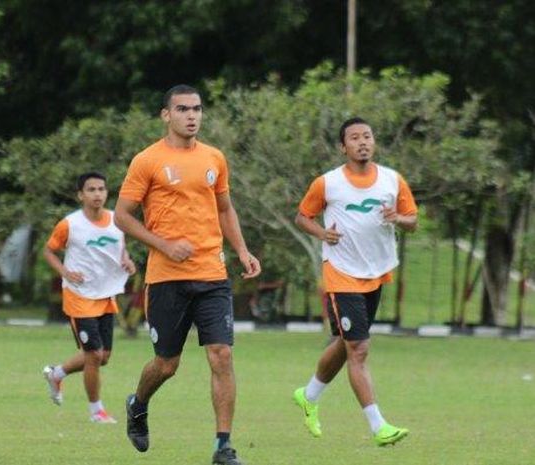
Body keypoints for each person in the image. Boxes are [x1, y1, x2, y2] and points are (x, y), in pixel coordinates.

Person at [115, 84, 261, 465]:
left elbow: (225, 208)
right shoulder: (146, 160)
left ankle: (223, 446)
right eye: (182, 109)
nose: (191, 115)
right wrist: (163, 245)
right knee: (167, 364)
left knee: (222, 354)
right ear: (166, 115)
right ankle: (139, 403)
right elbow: (122, 216)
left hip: (212, 273)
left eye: (196, 109)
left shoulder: (215, 158)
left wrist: (242, 250)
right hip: (166, 278)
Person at [292, 117, 418, 446]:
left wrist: (398, 218)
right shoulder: (328, 183)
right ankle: (379, 427)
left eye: (367, 136)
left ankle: (308, 395)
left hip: (376, 272)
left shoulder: (392, 180)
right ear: (342, 146)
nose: (362, 142)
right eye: (354, 138)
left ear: (374, 142)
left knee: (345, 342)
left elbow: (413, 221)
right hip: (342, 272)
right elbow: (303, 216)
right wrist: (322, 233)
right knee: (359, 348)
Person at [42, 172, 136, 424]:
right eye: (91, 189)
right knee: (93, 354)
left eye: (101, 189)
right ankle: (97, 412)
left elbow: (120, 248)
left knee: (102, 357)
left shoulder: (118, 221)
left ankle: (57, 374)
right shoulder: (70, 224)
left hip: (106, 295)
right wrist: (65, 272)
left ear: (107, 193)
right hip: (79, 296)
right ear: (80, 195)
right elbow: (48, 251)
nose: (97, 194)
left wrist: (126, 261)